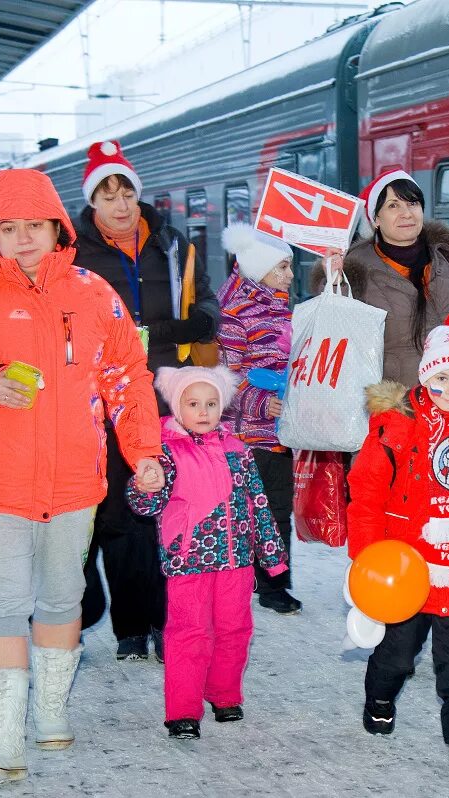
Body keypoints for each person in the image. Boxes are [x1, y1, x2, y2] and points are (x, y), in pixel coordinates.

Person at [0, 168, 165, 786]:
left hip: (74, 483)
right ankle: (3, 743)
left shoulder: (94, 294)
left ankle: (51, 715)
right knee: (1, 608)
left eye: (34, 226)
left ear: (57, 228)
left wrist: (144, 449)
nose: (23, 239)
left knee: (63, 599)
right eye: (8, 229)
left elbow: (128, 377)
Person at [346, 312, 449, 783]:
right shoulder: (397, 425)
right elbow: (366, 493)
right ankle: (380, 696)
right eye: (442, 377)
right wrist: (366, 557)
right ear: (425, 373)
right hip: (405, 566)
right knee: (399, 652)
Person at [74, 140, 219, 662]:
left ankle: (150, 621)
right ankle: (106, 614)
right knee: (112, 510)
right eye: (107, 194)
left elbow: (204, 299)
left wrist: (194, 321)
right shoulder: (74, 251)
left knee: (154, 506)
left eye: (126, 191)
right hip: (99, 396)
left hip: (163, 391)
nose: (119, 204)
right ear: (93, 202)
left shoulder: (171, 243)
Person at [125, 365, 288, 740]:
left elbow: (258, 502)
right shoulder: (165, 452)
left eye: (211, 403)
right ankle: (183, 710)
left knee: (235, 628)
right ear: (177, 407)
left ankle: (224, 693)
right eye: (193, 403)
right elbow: (147, 505)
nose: (203, 411)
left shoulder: (239, 451)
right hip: (189, 560)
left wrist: (270, 551)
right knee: (189, 632)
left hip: (237, 560)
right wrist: (144, 486)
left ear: (222, 407)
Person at [311, 169, 449, 412]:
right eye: (393, 206)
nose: (407, 213)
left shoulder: (442, 259)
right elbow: (335, 330)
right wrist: (333, 280)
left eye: (413, 203)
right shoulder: (355, 267)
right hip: (393, 406)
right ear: (375, 219)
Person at [217, 224, 302, 614]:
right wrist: (258, 403)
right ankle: (253, 581)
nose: (290, 275)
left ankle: (273, 584)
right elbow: (224, 378)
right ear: (259, 269)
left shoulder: (282, 308)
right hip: (248, 434)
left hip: (281, 431)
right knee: (251, 511)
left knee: (277, 509)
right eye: (282, 268)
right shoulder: (234, 315)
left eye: (289, 267)